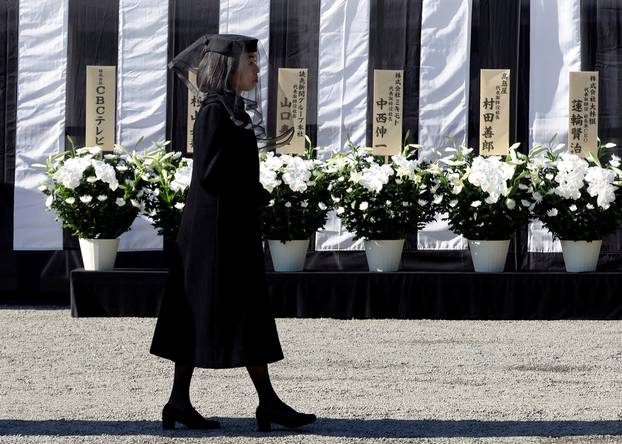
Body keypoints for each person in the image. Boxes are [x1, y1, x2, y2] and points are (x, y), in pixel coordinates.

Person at [150, 34, 315, 432]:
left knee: (242, 311)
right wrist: (251, 185)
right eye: (252, 63)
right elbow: (211, 173)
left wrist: (255, 190)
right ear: (230, 68)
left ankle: (192, 402)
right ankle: (251, 403)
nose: (258, 71)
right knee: (212, 311)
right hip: (215, 233)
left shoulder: (230, 108)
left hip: (228, 226)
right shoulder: (213, 111)